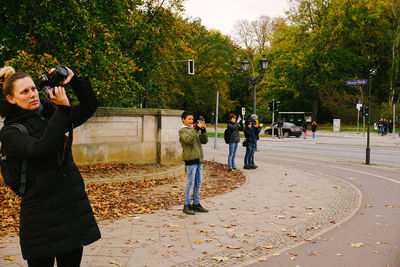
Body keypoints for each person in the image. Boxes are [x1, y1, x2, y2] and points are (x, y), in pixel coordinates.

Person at [0, 66, 101, 267]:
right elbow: (41, 149)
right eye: (24, 92)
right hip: (41, 220)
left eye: (33, 89)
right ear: (11, 99)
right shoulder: (11, 132)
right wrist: (63, 110)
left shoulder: (50, 114)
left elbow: (89, 107)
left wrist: (73, 81)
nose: (32, 95)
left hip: (70, 210)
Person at [179, 112, 209, 215]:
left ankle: (196, 204)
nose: (191, 121)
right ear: (183, 119)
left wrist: (203, 129)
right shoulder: (182, 130)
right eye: (189, 119)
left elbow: (204, 141)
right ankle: (186, 205)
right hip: (190, 161)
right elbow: (188, 140)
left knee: (198, 183)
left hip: (198, 160)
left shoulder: (193, 130)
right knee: (190, 183)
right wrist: (196, 129)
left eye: (192, 119)